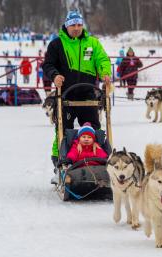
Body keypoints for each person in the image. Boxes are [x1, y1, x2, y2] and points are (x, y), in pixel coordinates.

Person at [42, 10, 111, 184]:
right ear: (66, 25)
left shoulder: (92, 43)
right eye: (73, 25)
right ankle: (59, 164)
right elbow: (48, 64)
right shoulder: (56, 44)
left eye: (79, 24)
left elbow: (102, 60)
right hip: (64, 94)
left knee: (93, 129)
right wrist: (55, 75)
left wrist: (105, 73)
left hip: (87, 93)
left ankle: (100, 162)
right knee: (63, 130)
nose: (76, 28)